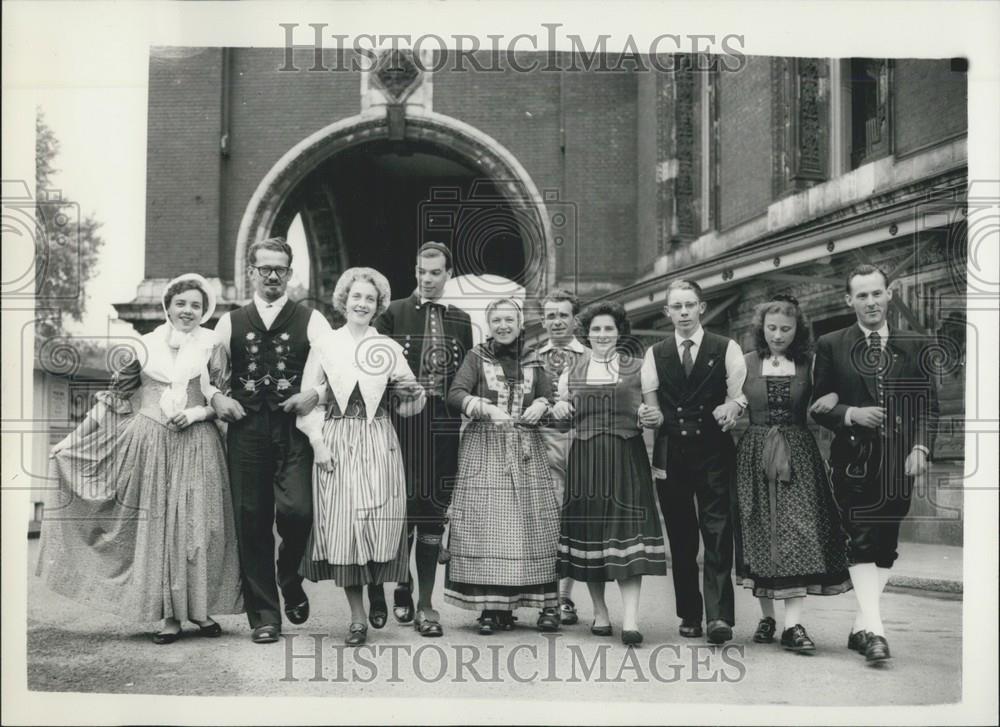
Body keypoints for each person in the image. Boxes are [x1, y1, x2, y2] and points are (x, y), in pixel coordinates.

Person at [37, 273, 242, 644]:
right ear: (168, 306)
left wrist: (197, 413)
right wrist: (71, 441)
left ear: (204, 311)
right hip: (149, 444)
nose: (188, 311)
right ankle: (168, 617)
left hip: (198, 444)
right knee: (158, 528)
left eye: (196, 305)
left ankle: (198, 610)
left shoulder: (213, 345)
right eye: (181, 303)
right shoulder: (145, 347)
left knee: (198, 528)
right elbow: (112, 402)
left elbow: (221, 400)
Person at [810, 264, 939, 663]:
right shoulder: (831, 344)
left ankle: (861, 626)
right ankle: (877, 632)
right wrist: (851, 413)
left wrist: (920, 449)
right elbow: (818, 405)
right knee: (862, 540)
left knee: (886, 545)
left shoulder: (915, 345)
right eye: (861, 295)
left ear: (889, 294)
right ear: (849, 300)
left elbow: (929, 408)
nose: (870, 302)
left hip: (899, 463)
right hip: (854, 461)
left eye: (876, 293)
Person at [210, 236, 333, 644]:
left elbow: (338, 370)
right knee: (252, 519)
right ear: (252, 273)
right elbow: (206, 376)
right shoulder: (230, 322)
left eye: (280, 269)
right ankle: (264, 616)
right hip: (246, 430)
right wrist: (217, 398)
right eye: (265, 269)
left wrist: (314, 394)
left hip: (292, 428)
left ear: (290, 273)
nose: (273, 276)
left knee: (298, 511)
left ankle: (290, 577)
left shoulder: (311, 319)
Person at [295, 268, 426, 647]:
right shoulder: (325, 344)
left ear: (378, 305)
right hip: (336, 439)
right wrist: (318, 444)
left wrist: (414, 397)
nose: (362, 304)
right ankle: (356, 618)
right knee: (344, 528)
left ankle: (377, 590)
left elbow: (410, 404)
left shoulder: (387, 348)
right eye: (356, 297)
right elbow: (307, 401)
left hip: (377, 440)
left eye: (370, 299)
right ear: (344, 301)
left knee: (375, 523)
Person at [366, 241, 474, 638]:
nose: (427, 280)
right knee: (398, 508)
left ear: (448, 275)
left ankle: (426, 603)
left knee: (431, 511)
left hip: (443, 428)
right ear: (415, 272)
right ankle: (400, 583)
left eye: (435, 273)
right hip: (400, 427)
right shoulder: (391, 314)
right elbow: (372, 372)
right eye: (421, 272)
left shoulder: (462, 320)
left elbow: (465, 379)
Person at [734, 294, 852, 652]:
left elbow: (830, 398)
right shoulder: (745, 363)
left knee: (798, 531)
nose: (778, 335)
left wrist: (830, 398)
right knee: (759, 529)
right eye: (772, 328)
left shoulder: (810, 364)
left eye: (786, 329)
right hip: (755, 452)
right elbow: (732, 399)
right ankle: (767, 616)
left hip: (798, 454)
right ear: (761, 329)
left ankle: (794, 625)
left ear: (797, 330)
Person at [553, 301, 667, 646]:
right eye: (596, 329)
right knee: (592, 539)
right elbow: (562, 423)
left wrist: (651, 417)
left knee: (627, 539)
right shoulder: (570, 372)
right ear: (586, 334)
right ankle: (600, 613)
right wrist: (558, 408)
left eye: (609, 329)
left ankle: (631, 619)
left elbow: (656, 415)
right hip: (586, 461)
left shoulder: (639, 367)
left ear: (619, 333)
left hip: (625, 459)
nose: (602, 335)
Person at [444, 297, 561, 634]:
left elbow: (548, 397)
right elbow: (455, 394)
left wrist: (542, 404)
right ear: (490, 325)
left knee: (533, 524)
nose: (504, 326)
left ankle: (542, 603)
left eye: (510, 320)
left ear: (520, 324)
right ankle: (490, 608)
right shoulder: (475, 357)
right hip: (485, 447)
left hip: (526, 448)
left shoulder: (536, 360)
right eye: (497, 321)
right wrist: (484, 408)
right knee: (486, 526)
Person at [643, 279, 747, 644]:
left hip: (714, 451)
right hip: (671, 454)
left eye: (690, 305)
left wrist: (732, 407)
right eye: (677, 306)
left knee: (718, 533)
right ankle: (690, 613)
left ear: (701, 307)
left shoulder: (726, 348)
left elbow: (739, 397)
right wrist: (649, 417)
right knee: (682, 537)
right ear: (667, 311)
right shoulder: (655, 354)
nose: (684, 312)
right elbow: (652, 408)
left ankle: (719, 617)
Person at [536, 289, 590, 626]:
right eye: (551, 316)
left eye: (563, 315)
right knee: (546, 520)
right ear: (543, 321)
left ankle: (566, 596)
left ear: (574, 319)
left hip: (580, 440)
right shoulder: (532, 356)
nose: (557, 321)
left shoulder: (589, 356)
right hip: (542, 441)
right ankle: (548, 596)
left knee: (574, 517)